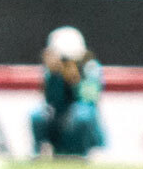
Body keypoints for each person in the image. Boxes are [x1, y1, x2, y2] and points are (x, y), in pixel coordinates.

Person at [32, 25, 105, 157]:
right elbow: (51, 100)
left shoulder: (90, 68)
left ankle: (81, 153)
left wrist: (74, 81)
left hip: (83, 124)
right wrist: (56, 76)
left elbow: (89, 101)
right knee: (37, 115)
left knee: (81, 115)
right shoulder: (51, 71)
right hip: (59, 117)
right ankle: (42, 152)